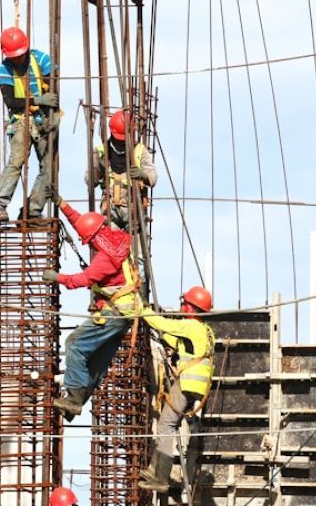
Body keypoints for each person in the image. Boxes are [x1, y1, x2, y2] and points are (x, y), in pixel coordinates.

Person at [46, 198, 137, 419]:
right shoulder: (116, 239)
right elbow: (83, 223)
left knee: (74, 345)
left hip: (112, 313)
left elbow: (84, 279)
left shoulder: (105, 259)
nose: (88, 244)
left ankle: (75, 398)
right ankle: (75, 402)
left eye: (88, 241)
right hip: (124, 314)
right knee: (97, 362)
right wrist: (61, 204)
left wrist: (57, 277)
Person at [138, 286, 216, 493]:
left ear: (191, 308)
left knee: (166, 425)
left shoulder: (190, 325)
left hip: (187, 383)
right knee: (169, 423)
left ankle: (160, 478)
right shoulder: (205, 331)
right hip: (197, 387)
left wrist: (142, 309)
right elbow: (179, 341)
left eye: (185, 304)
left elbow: (162, 323)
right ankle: (155, 469)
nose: (182, 307)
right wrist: (162, 338)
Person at [0, 27, 57, 223]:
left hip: (43, 121)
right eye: (13, 56)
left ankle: (32, 210)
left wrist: (52, 110)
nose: (17, 59)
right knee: (16, 163)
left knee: (49, 168)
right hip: (21, 121)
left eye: (19, 55)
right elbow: (11, 101)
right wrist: (38, 100)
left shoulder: (41, 60)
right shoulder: (4, 69)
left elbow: (53, 88)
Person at [86, 109, 157, 230]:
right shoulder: (101, 152)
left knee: (137, 248)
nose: (121, 142)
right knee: (111, 246)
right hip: (111, 212)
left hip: (134, 212)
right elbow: (90, 181)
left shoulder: (139, 150)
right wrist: (97, 170)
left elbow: (153, 177)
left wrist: (142, 175)